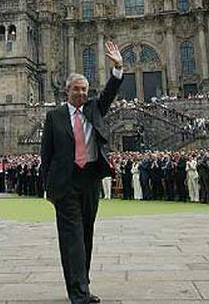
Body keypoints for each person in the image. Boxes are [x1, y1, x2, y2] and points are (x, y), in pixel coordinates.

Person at [41, 41, 123, 304]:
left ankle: (82, 284)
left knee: (86, 233)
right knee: (72, 237)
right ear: (67, 91)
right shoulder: (54, 117)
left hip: (89, 179)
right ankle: (78, 294)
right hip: (65, 184)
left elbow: (110, 92)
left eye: (84, 89)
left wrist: (118, 67)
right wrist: (48, 188)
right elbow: (47, 156)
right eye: (77, 89)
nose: (81, 93)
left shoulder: (94, 108)